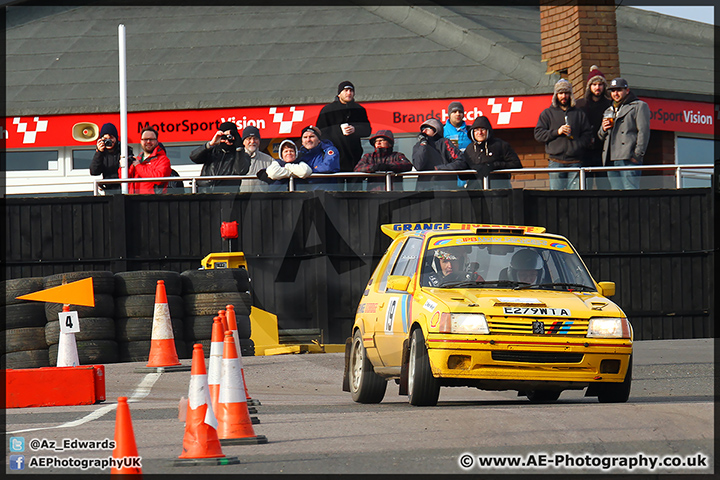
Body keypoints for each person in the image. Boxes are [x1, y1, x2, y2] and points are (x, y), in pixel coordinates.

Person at [534, 78, 593, 190]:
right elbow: (538, 134)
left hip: (575, 162)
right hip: (555, 161)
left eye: (566, 93)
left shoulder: (579, 113)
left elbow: (587, 134)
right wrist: (557, 132)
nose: (563, 96)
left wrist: (578, 145)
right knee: (556, 197)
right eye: (561, 93)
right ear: (556, 95)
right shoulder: (547, 114)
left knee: (576, 197)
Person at [436, 116, 522, 190]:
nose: (479, 133)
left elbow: (516, 164)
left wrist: (494, 166)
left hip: (499, 190)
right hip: (476, 193)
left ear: (488, 131)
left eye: (482, 129)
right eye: (476, 130)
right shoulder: (470, 149)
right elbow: (464, 172)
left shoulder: (501, 145)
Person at [598, 77, 651, 190]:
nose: (615, 94)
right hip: (610, 159)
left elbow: (643, 132)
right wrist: (603, 129)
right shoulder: (609, 110)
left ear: (627, 91)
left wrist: (637, 155)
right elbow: (600, 136)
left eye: (619, 90)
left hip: (628, 158)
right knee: (616, 196)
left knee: (630, 193)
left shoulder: (639, 106)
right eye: (613, 91)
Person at [316, 80, 372, 172]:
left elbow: (367, 130)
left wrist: (355, 129)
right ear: (339, 93)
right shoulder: (328, 109)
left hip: (354, 156)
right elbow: (320, 133)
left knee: (355, 184)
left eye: (351, 91)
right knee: (337, 184)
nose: (349, 93)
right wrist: (337, 132)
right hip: (334, 156)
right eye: (345, 90)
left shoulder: (359, 110)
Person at [575, 65, 612, 189]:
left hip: (604, 151)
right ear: (589, 86)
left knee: (605, 185)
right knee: (585, 186)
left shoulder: (610, 105)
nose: (597, 87)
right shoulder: (580, 105)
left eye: (600, 84)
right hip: (584, 151)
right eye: (594, 84)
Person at [189, 121, 250, 192]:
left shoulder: (241, 155)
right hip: (206, 194)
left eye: (230, 136)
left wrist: (239, 148)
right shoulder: (212, 151)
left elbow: (240, 171)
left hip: (227, 197)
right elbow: (193, 157)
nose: (227, 139)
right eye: (225, 136)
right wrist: (210, 144)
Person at [411, 118, 462, 190]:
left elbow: (461, 161)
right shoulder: (419, 146)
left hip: (446, 189)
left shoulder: (445, 143)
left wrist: (439, 168)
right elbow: (418, 165)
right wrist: (423, 144)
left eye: (427, 128)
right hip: (424, 190)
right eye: (422, 129)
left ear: (436, 130)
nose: (424, 131)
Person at [124, 126, 172, 194]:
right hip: (134, 200)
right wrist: (123, 166)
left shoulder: (163, 160)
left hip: (153, 201)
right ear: (141, 141)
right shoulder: (137, 159)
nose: (148, 142)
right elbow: (124, 180)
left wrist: (138, 166)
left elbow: (159, 178)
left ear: (157, 141)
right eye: (145, 139)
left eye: (151, 139)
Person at [89, 122, 133, 194]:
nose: (109, 141)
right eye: (105, 139)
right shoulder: (101, 153)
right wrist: (99, 152)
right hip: (109, 190)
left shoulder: (124, 150)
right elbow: (94, 171)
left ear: (116, 138)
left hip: (125, 188)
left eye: (111, 138)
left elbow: (131, 167)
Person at [239, 125, 274, 192]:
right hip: (241, 199)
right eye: (249, 139)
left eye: (255, 138)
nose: (252, 141)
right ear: (243, 142)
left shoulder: (269, 160)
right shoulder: (237, 159)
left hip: (262, 200)